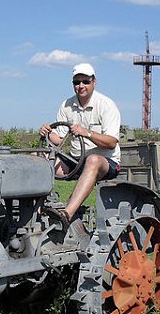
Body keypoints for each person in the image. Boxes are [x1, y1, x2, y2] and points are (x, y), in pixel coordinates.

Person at [39, 63, 121, 226]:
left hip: (106, 162)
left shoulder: (106, 105)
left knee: (93, 160)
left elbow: (111, 142)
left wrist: (87, 133)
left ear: (94, 82)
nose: (81, 85)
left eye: (85, 81)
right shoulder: (67, 105)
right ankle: (35, 212)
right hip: (76, 161)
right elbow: (59, 139)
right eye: (77, 82)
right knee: (38, 158)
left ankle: (66, 215)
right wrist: (47, 132)